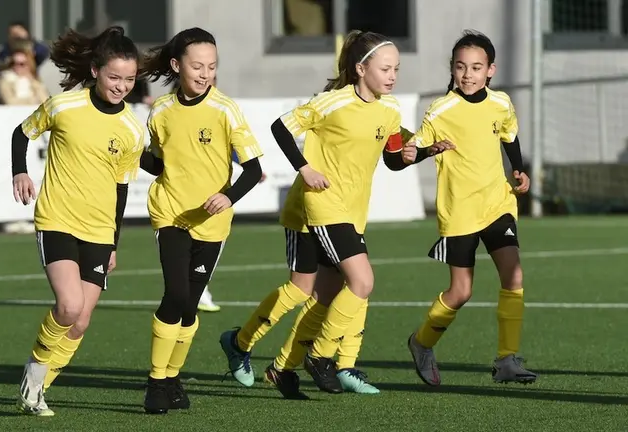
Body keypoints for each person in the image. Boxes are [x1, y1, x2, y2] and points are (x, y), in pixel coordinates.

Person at [219, 31, 452, 397]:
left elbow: (393, 158)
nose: (393, 75)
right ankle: (322, 356)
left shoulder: (390, 109)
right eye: (385, 68)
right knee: (357, 282)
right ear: (361, 69)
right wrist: (304, 168)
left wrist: (422, 152)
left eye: (397, 68)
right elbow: (281, 127)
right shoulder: (332, 103)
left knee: (324, 294)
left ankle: (280, 364)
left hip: (351, 211)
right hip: (320, 206)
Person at [11, 26, 144, 416]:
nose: (122, 86)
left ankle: (37, 391)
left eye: (130, 79)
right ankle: (34, 376)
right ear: (96, 70)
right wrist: (20, 172)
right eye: (114, 77)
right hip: (57, 220)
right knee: (68, 307)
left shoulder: (133, 130)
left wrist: (114, 242)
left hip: (100, 231)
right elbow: (22, 133)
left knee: (81, 322)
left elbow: (122, 190)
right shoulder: (65, 106)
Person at [137, 27, 264, 415]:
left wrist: (227, 196)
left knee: (189, 307)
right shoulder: (160, 111)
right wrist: (128, 152)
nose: (206, 73)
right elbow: (156, 163)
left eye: (212, 66)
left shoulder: (226, 109)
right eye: (198, 66)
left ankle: (172, 378)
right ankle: (157, 382)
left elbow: (253, 169)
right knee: (175, 293)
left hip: (213, 223)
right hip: (170, 213)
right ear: (177, 66)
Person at [404, 30, 537, 387]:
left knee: (514, 275)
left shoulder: (501, 103)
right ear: (452, 68)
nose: (468, 74)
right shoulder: (441, 109)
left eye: (476, 67)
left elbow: (509, 136)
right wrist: (407, 153)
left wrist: (519, 170)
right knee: (461, 292)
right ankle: (421, 343)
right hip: (459, 211)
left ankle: (507, 359)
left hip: (497, 204)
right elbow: (412, 150)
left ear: (490, 70)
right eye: (461, 67)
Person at [198, 151, 268, 313]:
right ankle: (196, 290)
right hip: (182, 194)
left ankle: (199, 288)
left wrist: (250, 166)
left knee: (209, 241)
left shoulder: (223, 127)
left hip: (214, 193)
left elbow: (228, 146)